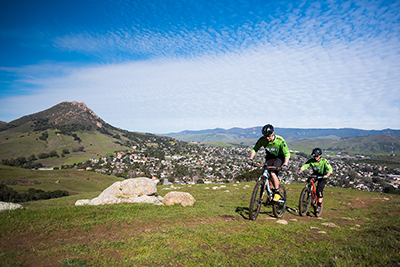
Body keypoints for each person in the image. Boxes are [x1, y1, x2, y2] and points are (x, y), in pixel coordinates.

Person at [248, 124, 290, 202]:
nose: (267, 138)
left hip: (279, 158)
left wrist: (285, 164)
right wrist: (251, 159)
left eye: (269, 136)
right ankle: (268, 192)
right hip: (269, 158)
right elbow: (255, 149)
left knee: (273, 173)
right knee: (266, 172)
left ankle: (277, 192)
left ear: (273, 133)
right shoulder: (262, 140)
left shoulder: (279, 140)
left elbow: (287, 153)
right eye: (265, 136)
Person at [299, 148, 333, 213]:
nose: (315, 158)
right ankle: (310, 192)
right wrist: (300, 170)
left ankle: (319, 205)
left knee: (319, 191)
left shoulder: (324, 161)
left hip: (323, 176)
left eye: (317, 156)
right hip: (315, 174)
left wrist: (327, 175)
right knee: (309, 180)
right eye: (314, 156)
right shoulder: (311, 161)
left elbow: (329, 169)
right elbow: (306, 165)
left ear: (320, 155)